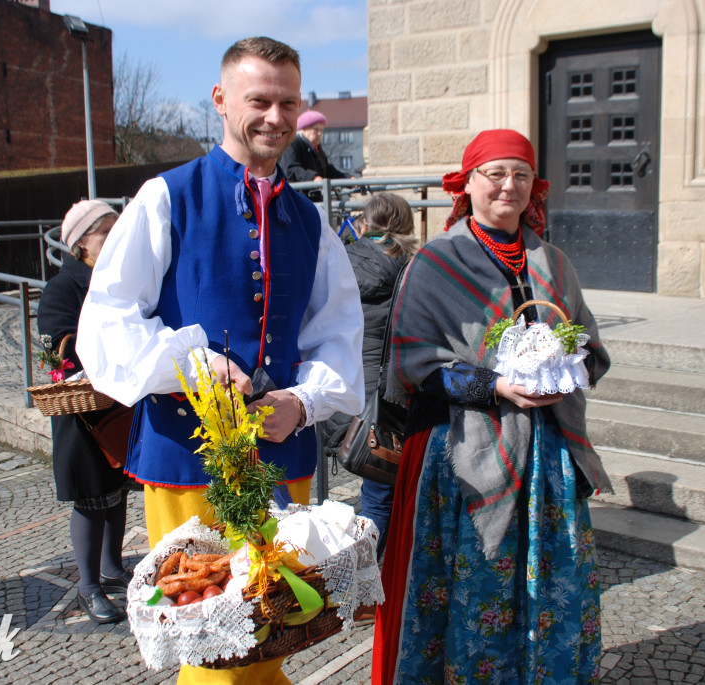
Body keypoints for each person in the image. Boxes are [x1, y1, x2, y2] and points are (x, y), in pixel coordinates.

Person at [76, 36, 364, 685]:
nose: (275, 115)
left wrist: (304, 401)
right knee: (211, 643)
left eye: (287, 102)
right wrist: (195, 367)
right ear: (221, 100)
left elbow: (337, 333)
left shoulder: (308, 221)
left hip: (281, 459)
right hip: (185, 460)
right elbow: (108, 321)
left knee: (268, 635)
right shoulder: (166, 197)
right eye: (259, 99)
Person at [371, 130, 612, 684]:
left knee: (547, 578)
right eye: (495, 173)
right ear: (469, 183)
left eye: (521, 175)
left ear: (535, 187)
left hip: (546, 457)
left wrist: (570, 367)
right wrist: (497, 387)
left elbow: (590, 345)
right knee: (475, 577)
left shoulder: (554, 263)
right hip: (462, 456)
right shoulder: (436, 262)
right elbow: (414, 366)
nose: (509, 185)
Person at [36, 200, 134, 624]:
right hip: (82, 407)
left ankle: (112, 567)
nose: (114, 238)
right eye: (105, 231)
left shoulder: (115, 279)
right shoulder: (63, 286)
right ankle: (88, 585)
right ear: (79, 245)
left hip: (114, 400)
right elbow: (57, 341)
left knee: (117, 489)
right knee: (91, 495)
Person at [320, 192, 418, 559]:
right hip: (386, 400)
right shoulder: (410, 267)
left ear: (365, 222)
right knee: (382, 496)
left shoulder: (340, 258)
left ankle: (364, 578)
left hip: (342, 390)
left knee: (375, 493)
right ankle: (368, 585)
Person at [279, 109, 349, 192]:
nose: (320, 133)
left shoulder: (317, 148)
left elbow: (328, 170)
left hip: (315, 195)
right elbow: (291, 169)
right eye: (316, 129)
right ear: (304, 129)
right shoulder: (294, 143)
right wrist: (313, 177)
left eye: (321, 130)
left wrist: (347, 179)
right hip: (298, 195)